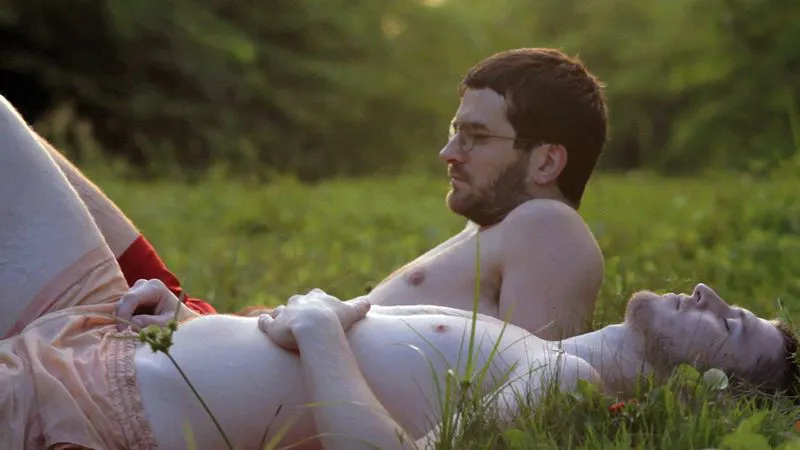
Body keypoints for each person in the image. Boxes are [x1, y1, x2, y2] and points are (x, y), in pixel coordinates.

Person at [1, 93, 797, 450]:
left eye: (732, 325)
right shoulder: (537, 356)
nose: (710, 294)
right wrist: (189, 323)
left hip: (101, 405)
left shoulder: (564, 384)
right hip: (121, 339)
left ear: (709, 391)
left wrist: (319, 328)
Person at [34, 47, 609, 340]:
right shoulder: (499, 232)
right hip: (205, 332)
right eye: (454, 131)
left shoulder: (550, 228)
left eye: (475, 136)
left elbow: (533, 390)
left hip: (209, 360)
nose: (448, 153)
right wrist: (195, 322)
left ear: (547, 160)